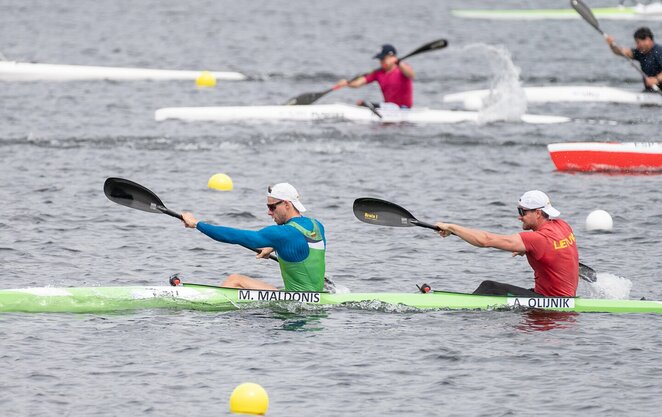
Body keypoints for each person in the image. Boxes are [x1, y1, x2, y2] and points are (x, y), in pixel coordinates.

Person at [180, 183, 326, 292]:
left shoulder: (282, 234)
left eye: (272, 207)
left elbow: (234, 236)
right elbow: (301, 245)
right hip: (316, 297)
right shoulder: (316, 225)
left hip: (297, 302)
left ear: (287, 204)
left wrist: (197, 224)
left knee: (235, 280)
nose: (269, 213)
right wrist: (274, 246)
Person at [434, 190, 579, 297]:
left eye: (523, 212)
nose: (519, 217)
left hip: (552, 301)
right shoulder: (562, 225)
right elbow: (558, 253)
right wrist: (527, 249)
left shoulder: (537, 239)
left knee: (489, 287)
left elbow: (485, 240)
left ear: (538, 213)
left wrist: (451, 227)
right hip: (562, 298)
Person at [334, 44, 415, 108]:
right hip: (388, 108)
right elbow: (358, 83)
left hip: (404, 108)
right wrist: (347, 83)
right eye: (380, 59)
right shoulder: (378, 73)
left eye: (383, 59)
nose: (381, 61)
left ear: (392, 57)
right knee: (361, 104)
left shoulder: (402, 68)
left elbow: (411, 75)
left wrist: (399, 63)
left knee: (365, 104)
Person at [606, 27, 662, 91]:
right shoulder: (641, 52)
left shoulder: (659, 51)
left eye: (638, 42)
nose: (637, 46)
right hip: (651, 91)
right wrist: (612, 44)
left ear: (647, 40)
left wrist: (656, 80)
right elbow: (621, 52)